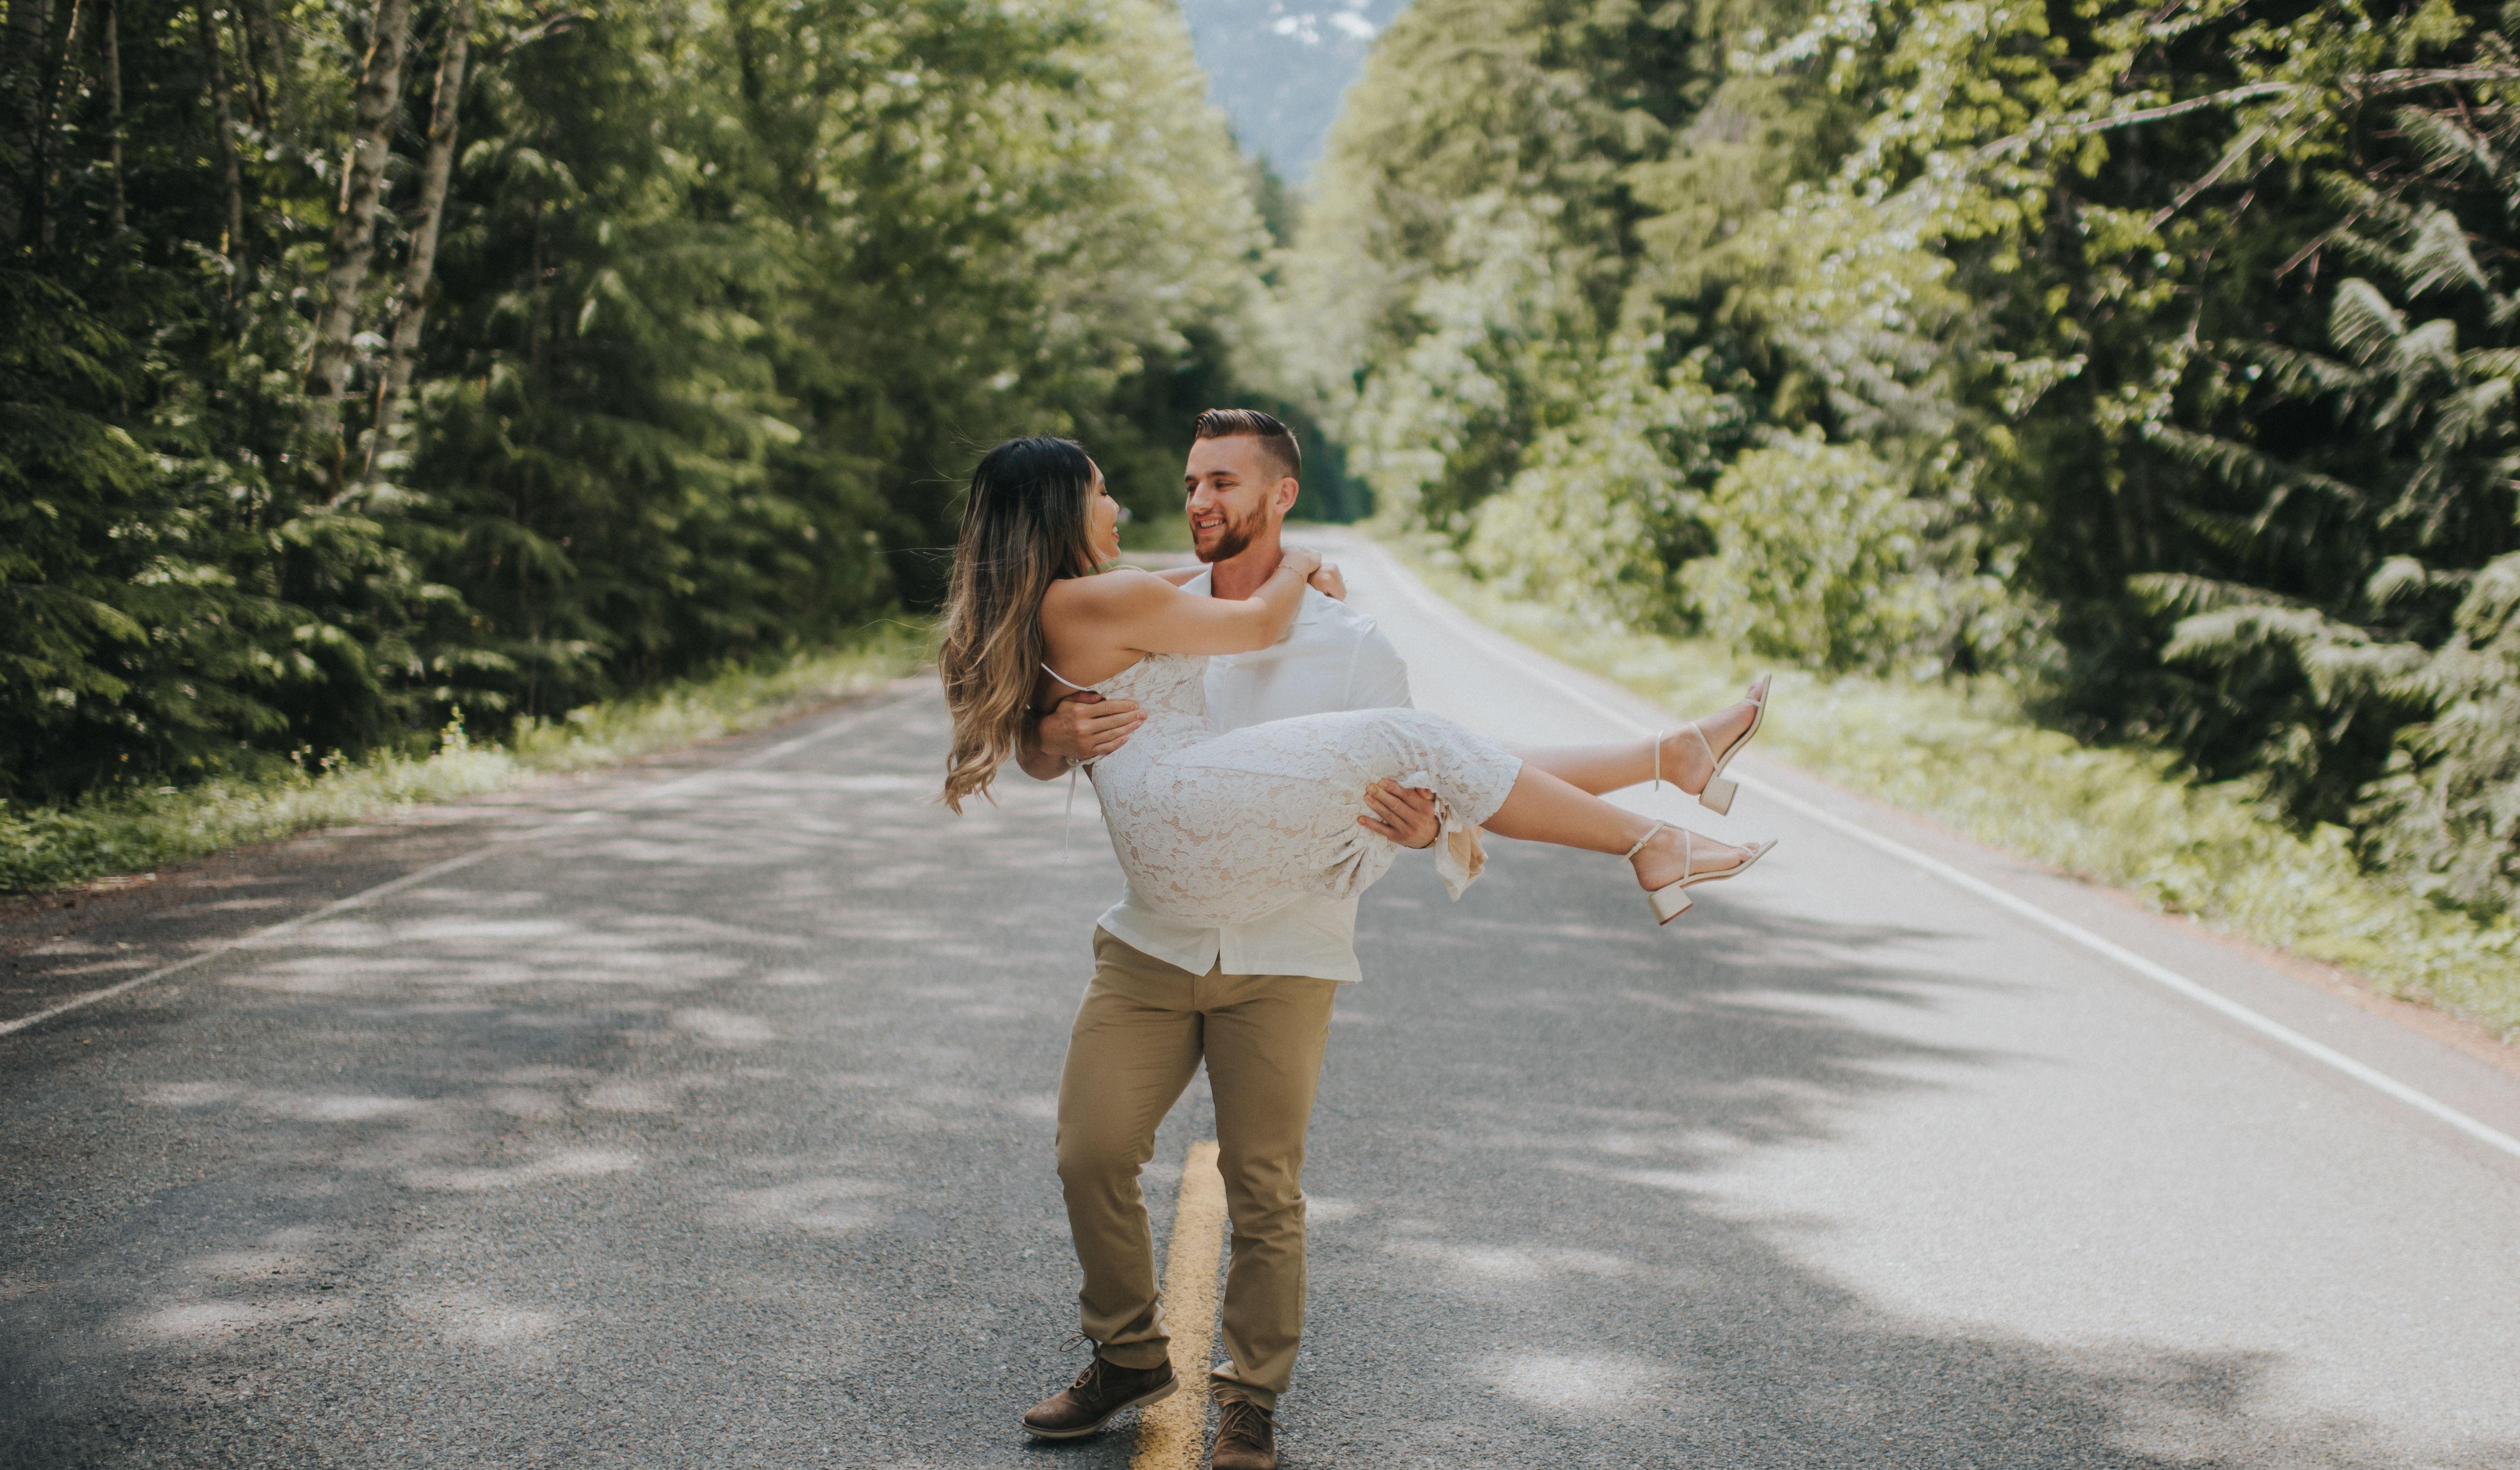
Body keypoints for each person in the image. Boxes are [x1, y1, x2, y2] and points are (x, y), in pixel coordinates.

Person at [938, 424, 1775, 1470]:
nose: (1186, 501)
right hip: (1157, 935)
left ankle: (1250, 1399)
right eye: (1181, 482)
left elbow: (1442, 788)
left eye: (1220, 482)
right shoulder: (1149, 602)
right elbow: (1082, 700)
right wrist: (1046, 737)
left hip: (1284, 940)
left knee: (1265, 1183)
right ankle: (1126, 1357)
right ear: (1061, 514)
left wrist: (1426, 830)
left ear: (1281, 496)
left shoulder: (1342, 641)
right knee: (1088, 1152)